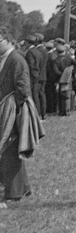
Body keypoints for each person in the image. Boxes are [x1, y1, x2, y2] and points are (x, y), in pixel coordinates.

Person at [0, 28, 33, 202]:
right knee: (10, 151)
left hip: (12, 113)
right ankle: (22, 187)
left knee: (8, 151)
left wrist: (15, 109)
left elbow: (23, 88)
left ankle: (13, 193)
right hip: (4, 111)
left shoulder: (16, 60)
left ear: (8, 40)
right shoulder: (5, 59)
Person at [53, 44, 76, 116]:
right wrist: (71, 72)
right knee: (68, 94)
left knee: (61, 95)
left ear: (57, 52)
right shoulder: (69, 58)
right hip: (69, 78)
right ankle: (68, 110)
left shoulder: (56, 60)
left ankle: (62, 110)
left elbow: (55, 71)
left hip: (60, 79)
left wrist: (62, 75)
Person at [23, 34, 42, 115]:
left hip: (32, 76)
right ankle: (38, 112)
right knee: (36, 95)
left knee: (33, 95)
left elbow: (30, 65)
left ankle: (35, 113)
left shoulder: (30, 52)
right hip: (38, 75)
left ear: (28, 43)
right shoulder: (38, 51)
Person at [35, 33, 48, 119]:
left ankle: (38, 113)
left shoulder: (37, 51)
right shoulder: (44, 50)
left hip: (38, 76)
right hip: (43, 75)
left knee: (36, 95)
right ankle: (43, 113)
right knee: (42, 95)